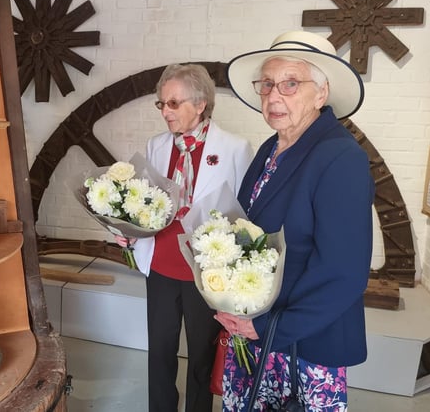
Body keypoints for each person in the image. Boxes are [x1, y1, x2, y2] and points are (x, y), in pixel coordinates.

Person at [216, 31, 375, 411]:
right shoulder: (273, 147)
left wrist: (270, 326)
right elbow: (247, 232)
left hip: (304, 344)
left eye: (290, 84)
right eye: (267, 84)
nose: (274, 96)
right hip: (258, 332)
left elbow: (344, 273)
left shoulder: (340, 158)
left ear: (321, 93)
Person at [119, 63, 253, 412]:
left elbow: (245, 215)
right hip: (161, 263)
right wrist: (129, 231)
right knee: (160, 351)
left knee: (201, 356)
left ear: (201, 104)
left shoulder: (236, 148)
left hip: (205, 270)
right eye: (162, 104)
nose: (165, 111)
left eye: (174, 103)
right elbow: (145, 203)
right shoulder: (156, 145)